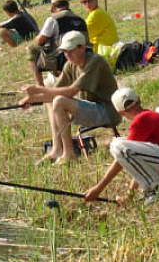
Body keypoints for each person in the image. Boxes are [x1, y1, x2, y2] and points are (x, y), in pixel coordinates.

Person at [21, 31, 121, 165]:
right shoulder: (70, 64)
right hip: (91, 109)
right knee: (54, 100)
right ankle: (57, 149)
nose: (67, 54)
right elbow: (54, 91)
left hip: (108, 112)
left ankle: (69, 154)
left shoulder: (95, 61)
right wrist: (31, 100)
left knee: (59, 101)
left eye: (70, 50)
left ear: (82, 47)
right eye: (64, 51)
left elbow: (71, 91)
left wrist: (38, 89)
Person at [84, 88, 159, 205]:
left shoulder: (140, 120)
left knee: (117, 145)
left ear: (120, 113)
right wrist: (130, 194)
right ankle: (156, 185)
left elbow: (122, 158)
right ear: (139, 99)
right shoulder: (148, 115)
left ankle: (157, 188)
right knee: (123, 146)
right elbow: (137, 159)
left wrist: (98, 189)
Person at [27, 0, 89, 86]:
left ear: (53, 6)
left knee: (32, 49)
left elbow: (39, 41)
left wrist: (38, 37)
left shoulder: (54, 19)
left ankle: (39, 86)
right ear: (67, 4)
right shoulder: (80, 19)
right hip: (85, 55)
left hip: (63, 57)